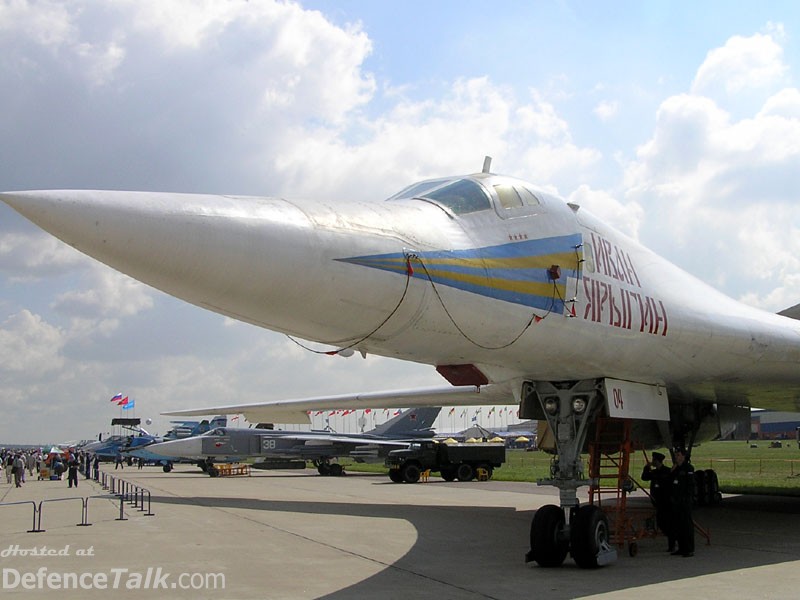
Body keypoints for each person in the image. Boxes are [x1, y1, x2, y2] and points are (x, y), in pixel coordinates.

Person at [641, 451, 675, 552]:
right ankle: (672, 540)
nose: (653, 462)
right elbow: (644, 477)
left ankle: (672, 544)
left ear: (657, 461)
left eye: (654, 460)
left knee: (669, 524)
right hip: (658, 502)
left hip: (667, 502)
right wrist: (646, 467)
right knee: (661, 523)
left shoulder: (667, 471)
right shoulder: (654, 472)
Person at [670, 447, 695, 557]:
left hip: (685, 500)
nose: (677, 457)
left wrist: (687, 498)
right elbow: (671, 480)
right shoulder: (677, 469)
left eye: (679, 455)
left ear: (684, 456)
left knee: (687, 525)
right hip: (677, 500)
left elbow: (690, 485)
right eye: (676, 455)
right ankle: (681, 547)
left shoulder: (688, 468)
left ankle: (689, 549)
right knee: (678, 525)